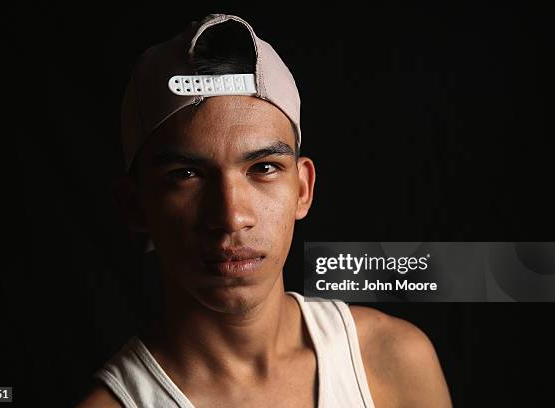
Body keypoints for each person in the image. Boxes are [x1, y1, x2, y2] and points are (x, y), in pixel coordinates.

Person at [77, 13, 452, 408]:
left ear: (303, 189)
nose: (231, 216)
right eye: (186, 174)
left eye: (264, 168)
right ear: (134, 205)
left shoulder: (392, 359)